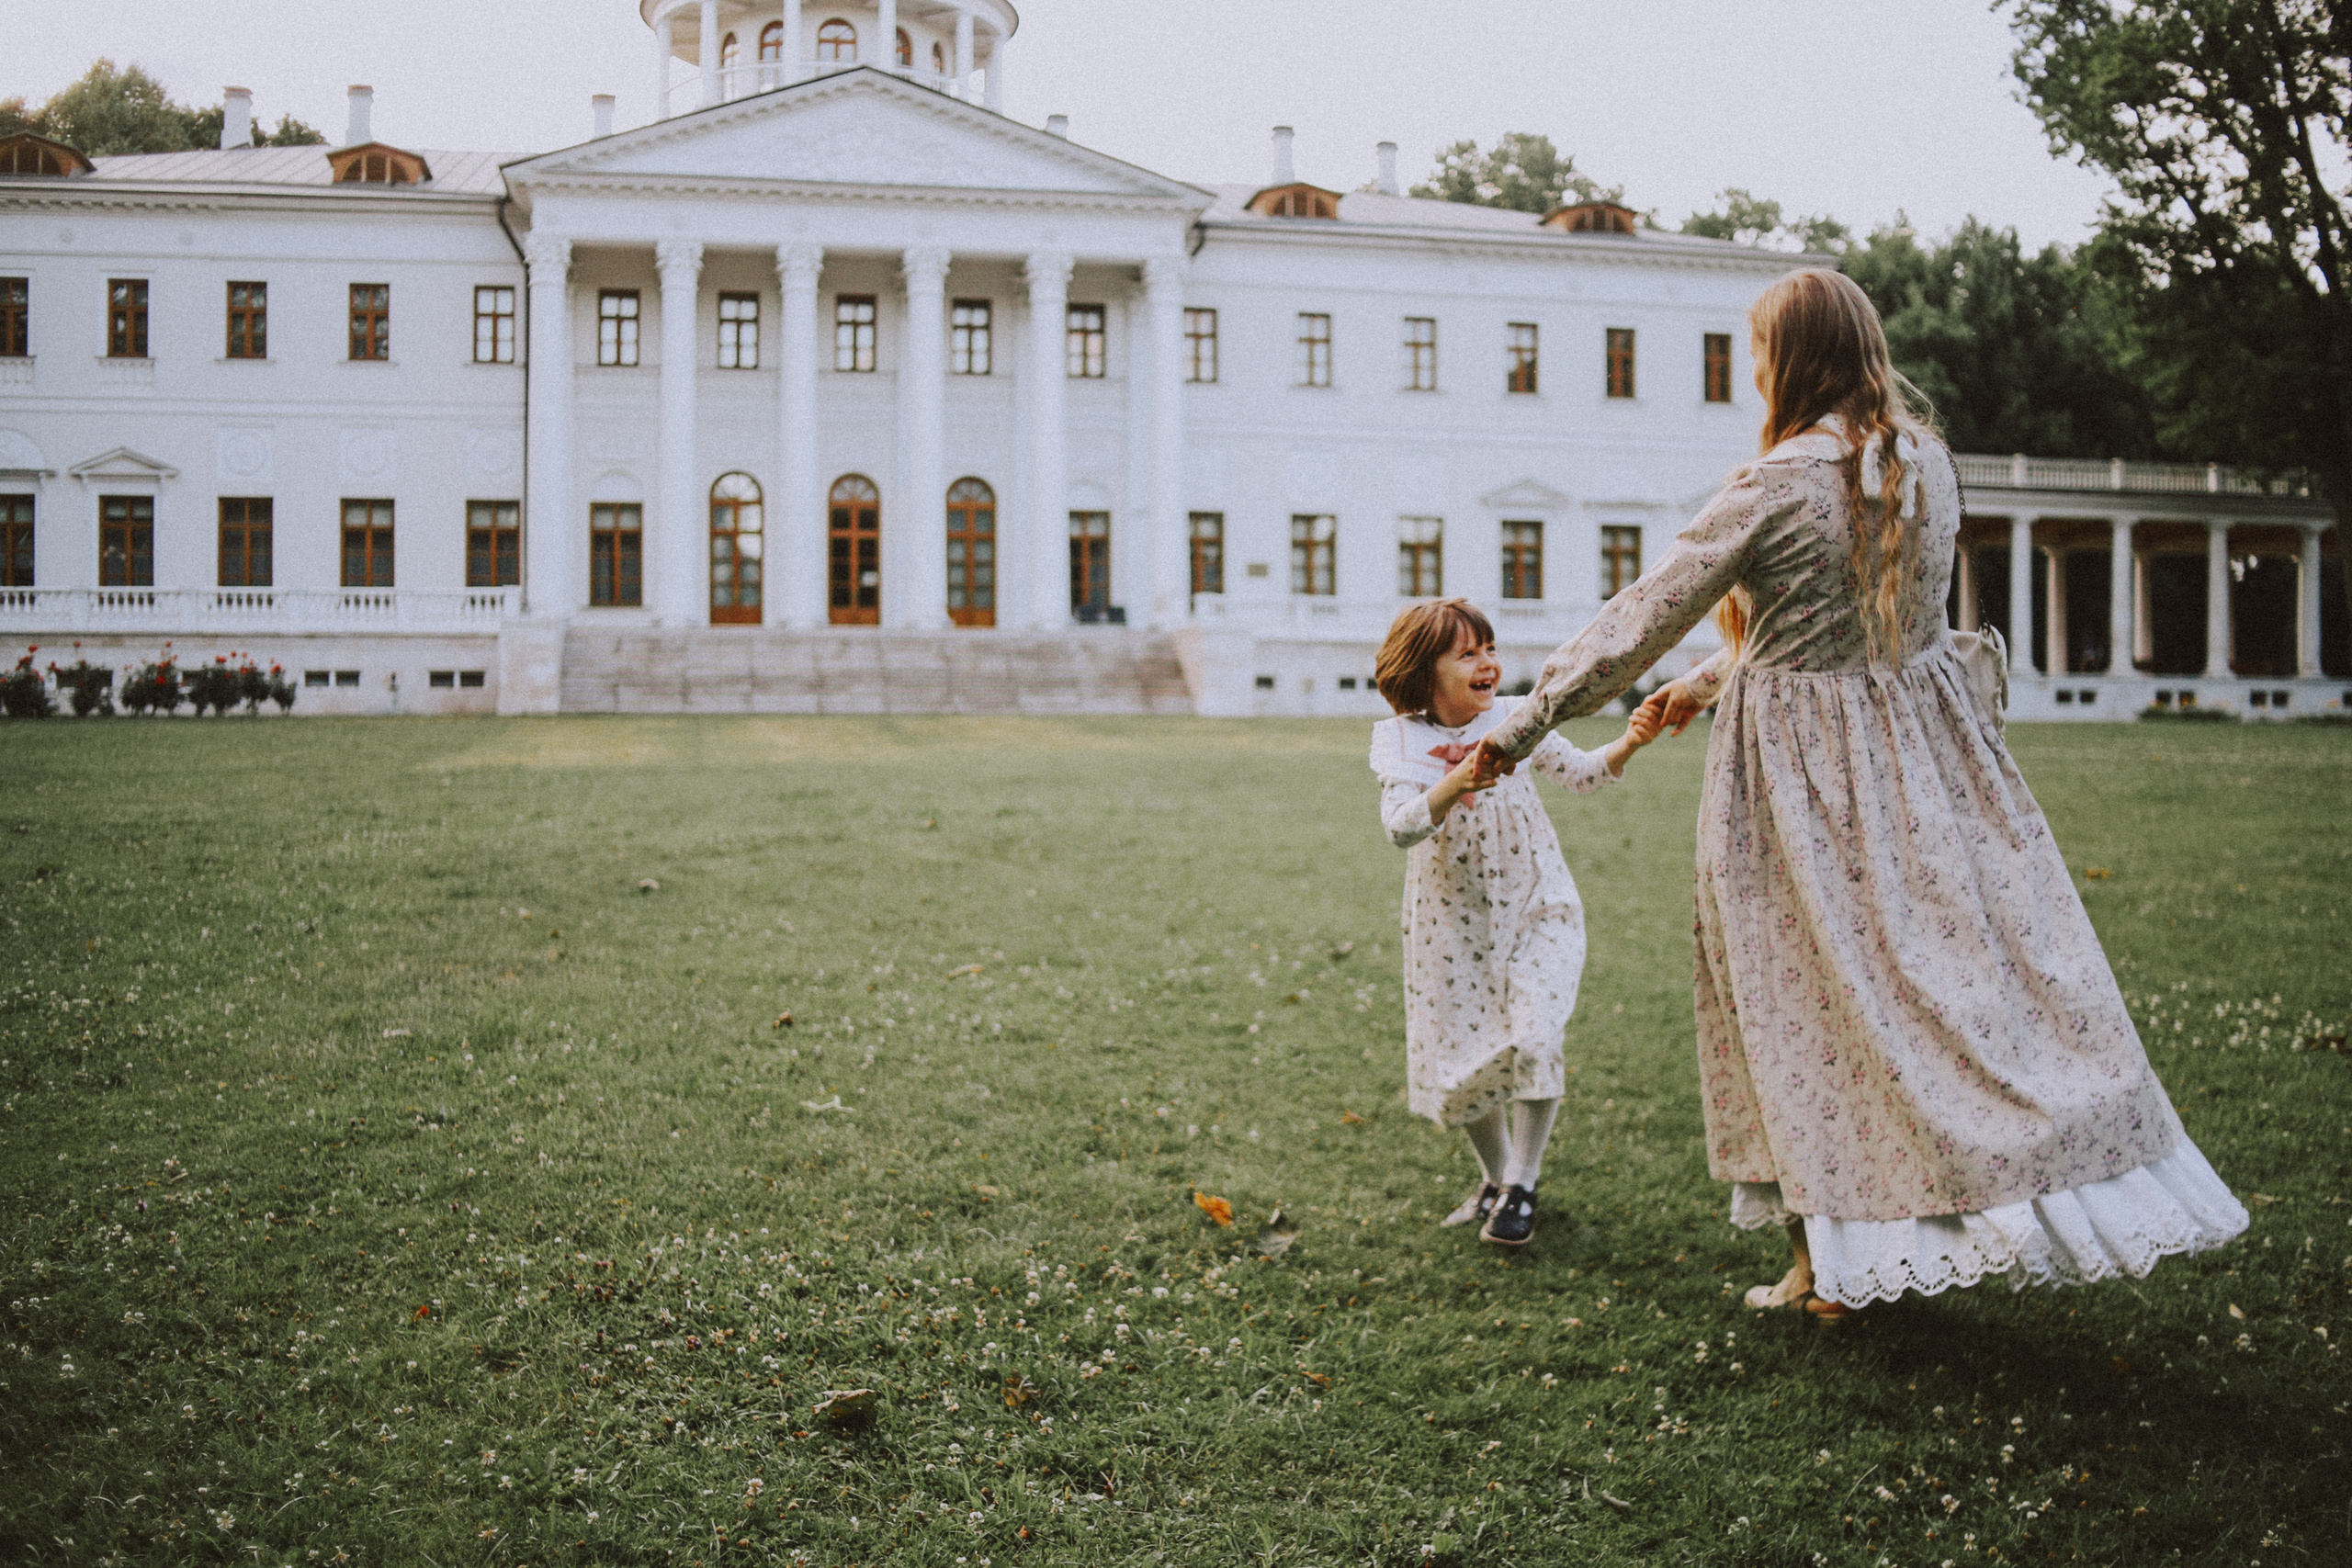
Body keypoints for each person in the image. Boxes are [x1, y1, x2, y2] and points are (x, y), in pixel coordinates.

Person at [1471, 268, 2246, 1315]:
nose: (1752, 372)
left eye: (1758, 352)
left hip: (1797, 778)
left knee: (1789, 999)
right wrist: (1709, 679)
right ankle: (1832, 1259)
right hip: (1925, 761)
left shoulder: (1776, 482)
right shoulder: (1924, 463)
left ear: (1789, 360)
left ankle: (1835, 1259)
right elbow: (1855, 619)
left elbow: (1637, 620)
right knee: (1922, 991)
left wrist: (1519, 726)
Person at [1370, 598, 1663, 1247]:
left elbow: (1582, 775)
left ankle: (1522, 1183)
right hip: (1452, 923)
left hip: (1537, 904)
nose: (1488, 664)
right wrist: (1457, 780)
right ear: (1423, 669)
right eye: (1467, 654)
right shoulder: (1400, 741)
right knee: (1466, 1053)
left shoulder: (1517, 717)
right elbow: (1400, 827)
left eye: (1490, 649)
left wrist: (1630, 741)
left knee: (1536, 1035)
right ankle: (1497, 1181)